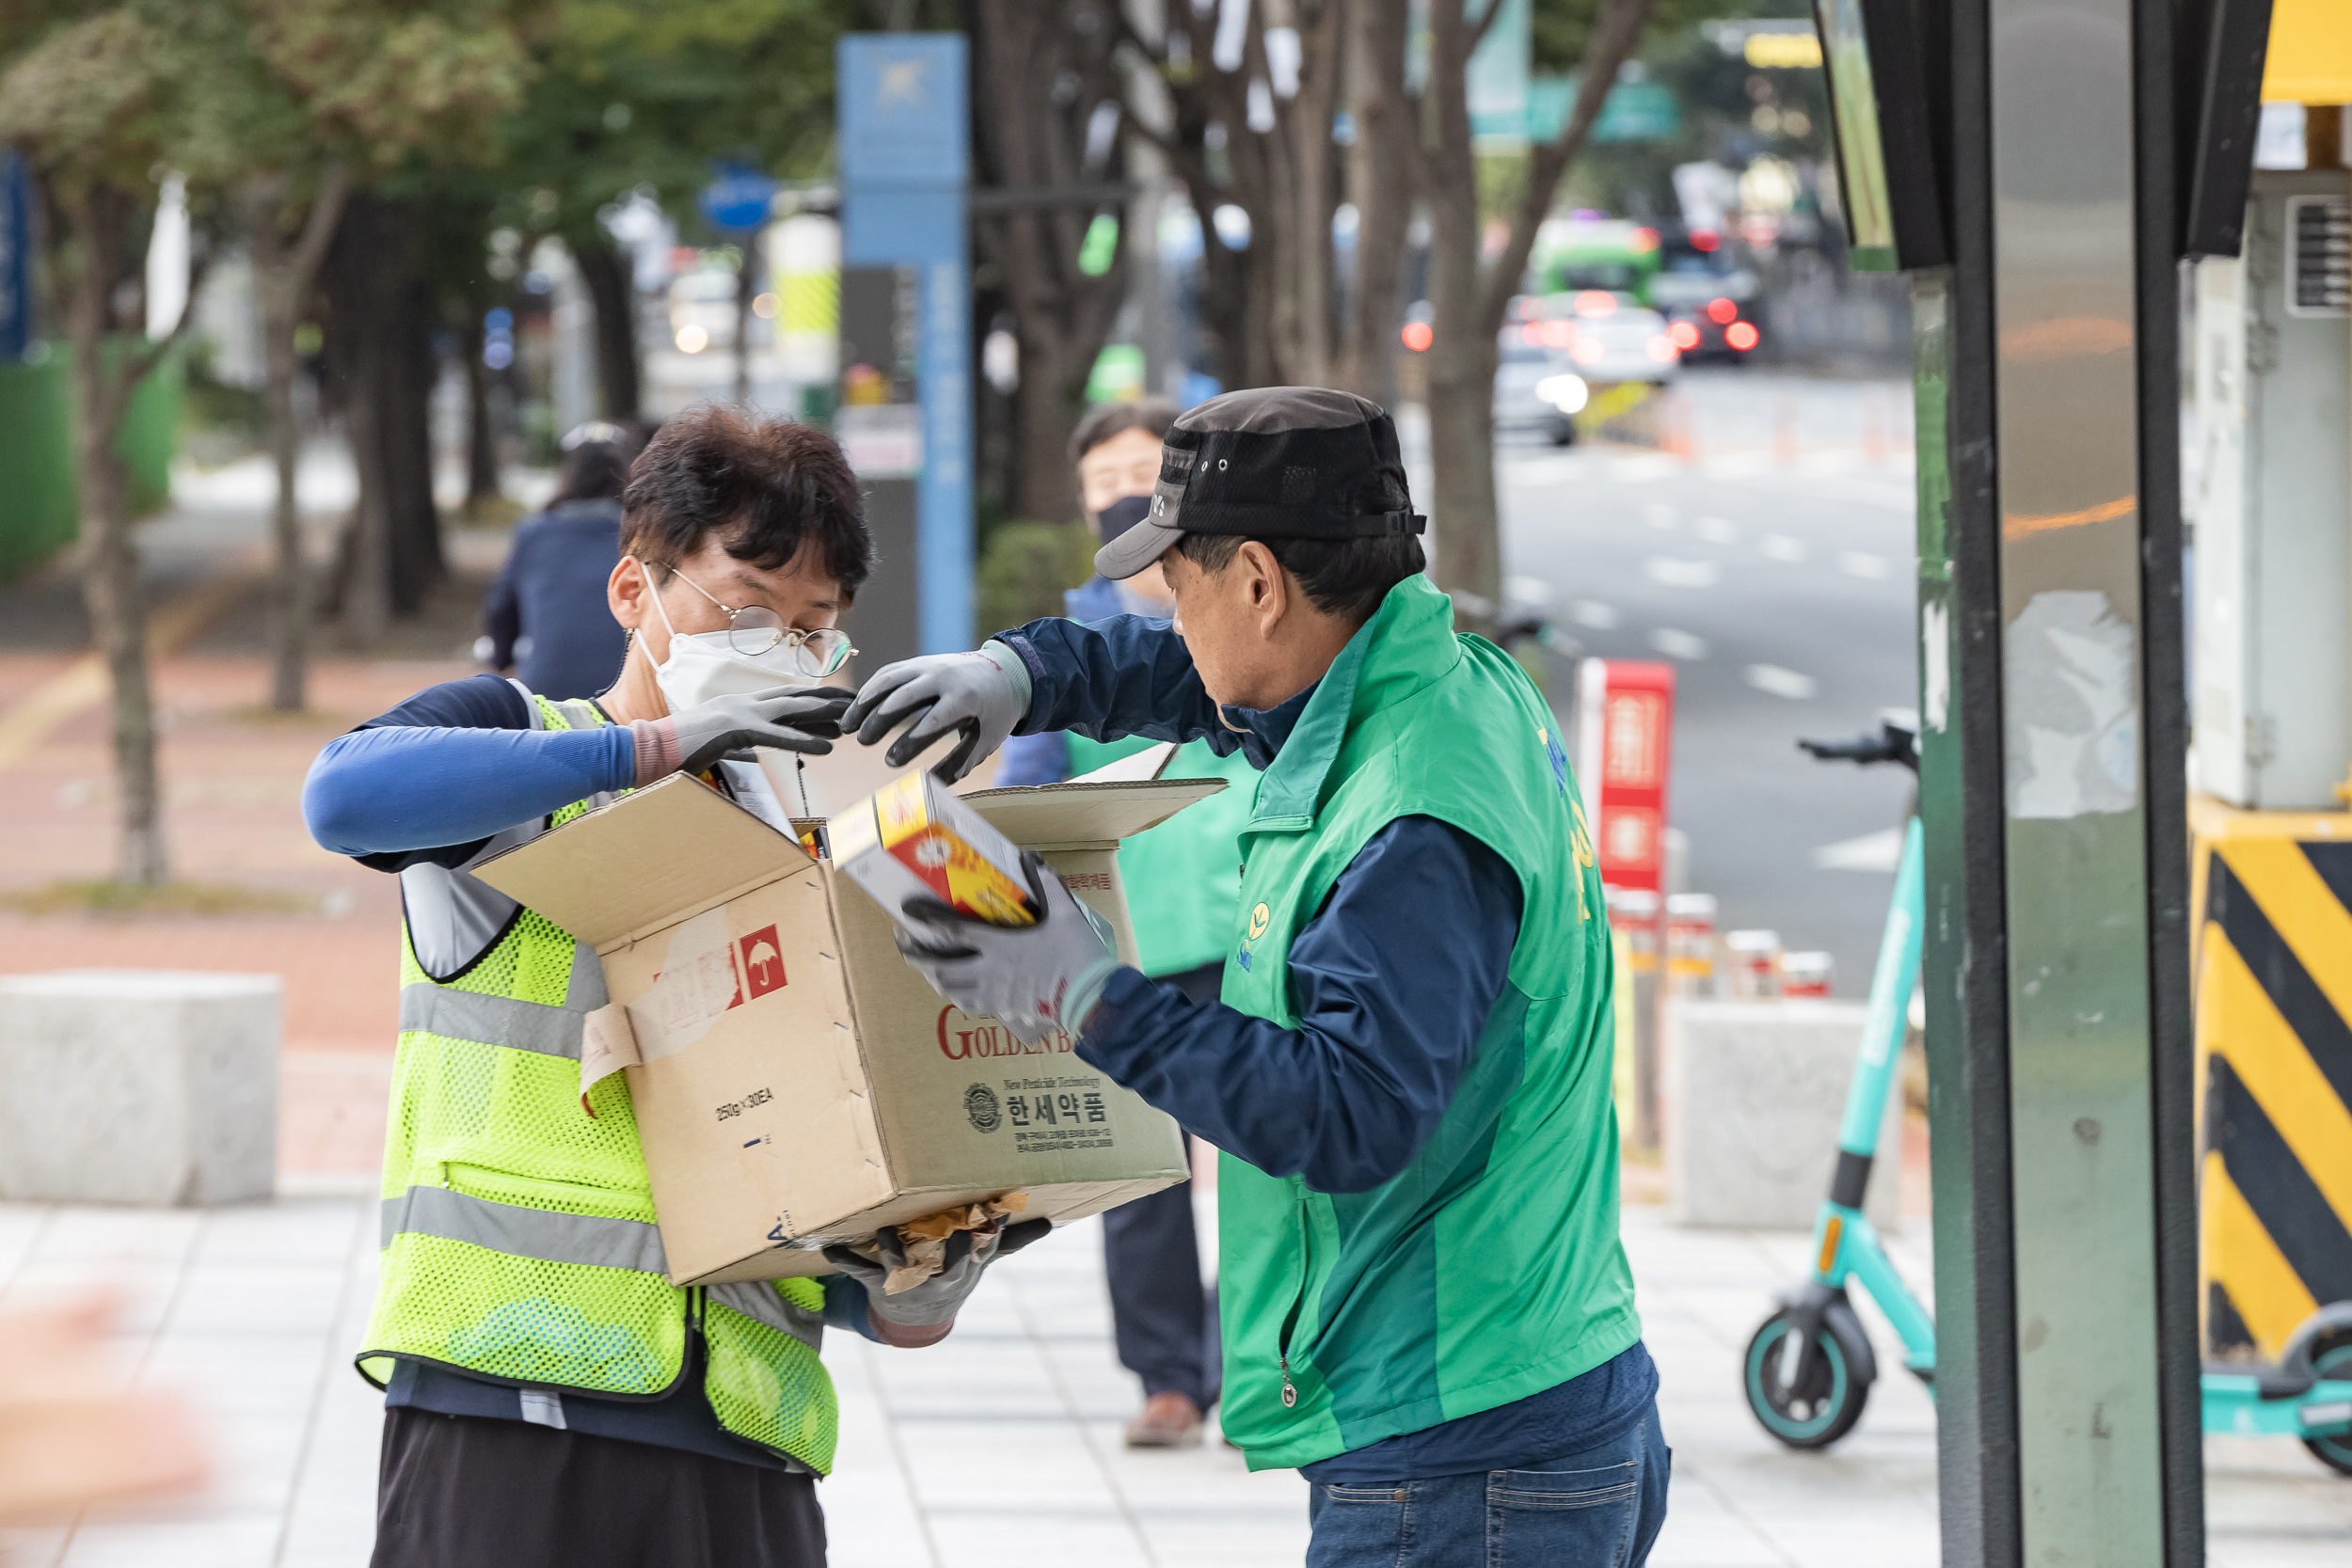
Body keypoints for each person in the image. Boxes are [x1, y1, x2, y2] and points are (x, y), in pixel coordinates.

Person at [844, 388, 1667, 1567]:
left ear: (1262, 583)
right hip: (1521, 1391)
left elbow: (1349, 1112)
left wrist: (1080, 992)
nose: (1170, 619)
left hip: (1461, 1444)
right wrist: (1022, 673)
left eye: (1178, 585)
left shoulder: (1413, 820)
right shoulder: (1436, 681)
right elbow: (1196, 682)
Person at [303, 405, 1039, 1568]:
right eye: (746, 609)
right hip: (511, 1404)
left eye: (814, 628)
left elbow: (832, 1176)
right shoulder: (522, 757)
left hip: (744, 1431)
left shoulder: (825, 839)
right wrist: (655, 748)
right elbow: (342, 799)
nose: (781, 649)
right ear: (632, 592)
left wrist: (922, 1286)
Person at [994, 398, 1248, 1449]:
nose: (1122, 488)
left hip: (1250, 929)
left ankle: (1258, 1363)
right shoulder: (1070, 645)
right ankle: (1167, 1377)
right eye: (1103, 475)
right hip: (1131, 943)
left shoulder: (1248, 614)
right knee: (1145, 1166)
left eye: (1142, 466)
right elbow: (1024, 792)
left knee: (1263, 1158)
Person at [478, 421, 639, 699]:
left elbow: (501, 608)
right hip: (628, 692)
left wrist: (501, 657)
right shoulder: (645, 535)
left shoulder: (535, 533)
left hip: (547, 693)